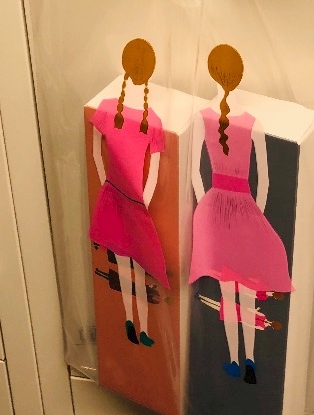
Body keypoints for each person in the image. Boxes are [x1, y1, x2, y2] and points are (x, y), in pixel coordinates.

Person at [189, 45, 293, 384]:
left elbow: (195, 172)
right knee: (248, 292)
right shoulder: (254, 123)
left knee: (227, 295)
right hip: (244, 209)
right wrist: (254, 217)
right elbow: (265, 181)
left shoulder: (201, 117)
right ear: (239, 75)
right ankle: (249, 360)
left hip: (216, 210)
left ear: (211, 72)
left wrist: (206, 208)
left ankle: (234, 360)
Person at [89, 39, 168, 347]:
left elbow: (97, 154)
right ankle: (134, 325)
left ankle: (138, 325)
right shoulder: (126, 114)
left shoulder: (144, 118)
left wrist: (110, 187)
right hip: (126, 200)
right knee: (131, 267)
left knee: (133, 267)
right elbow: (152, 172)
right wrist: (120, 192)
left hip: (126, 200)